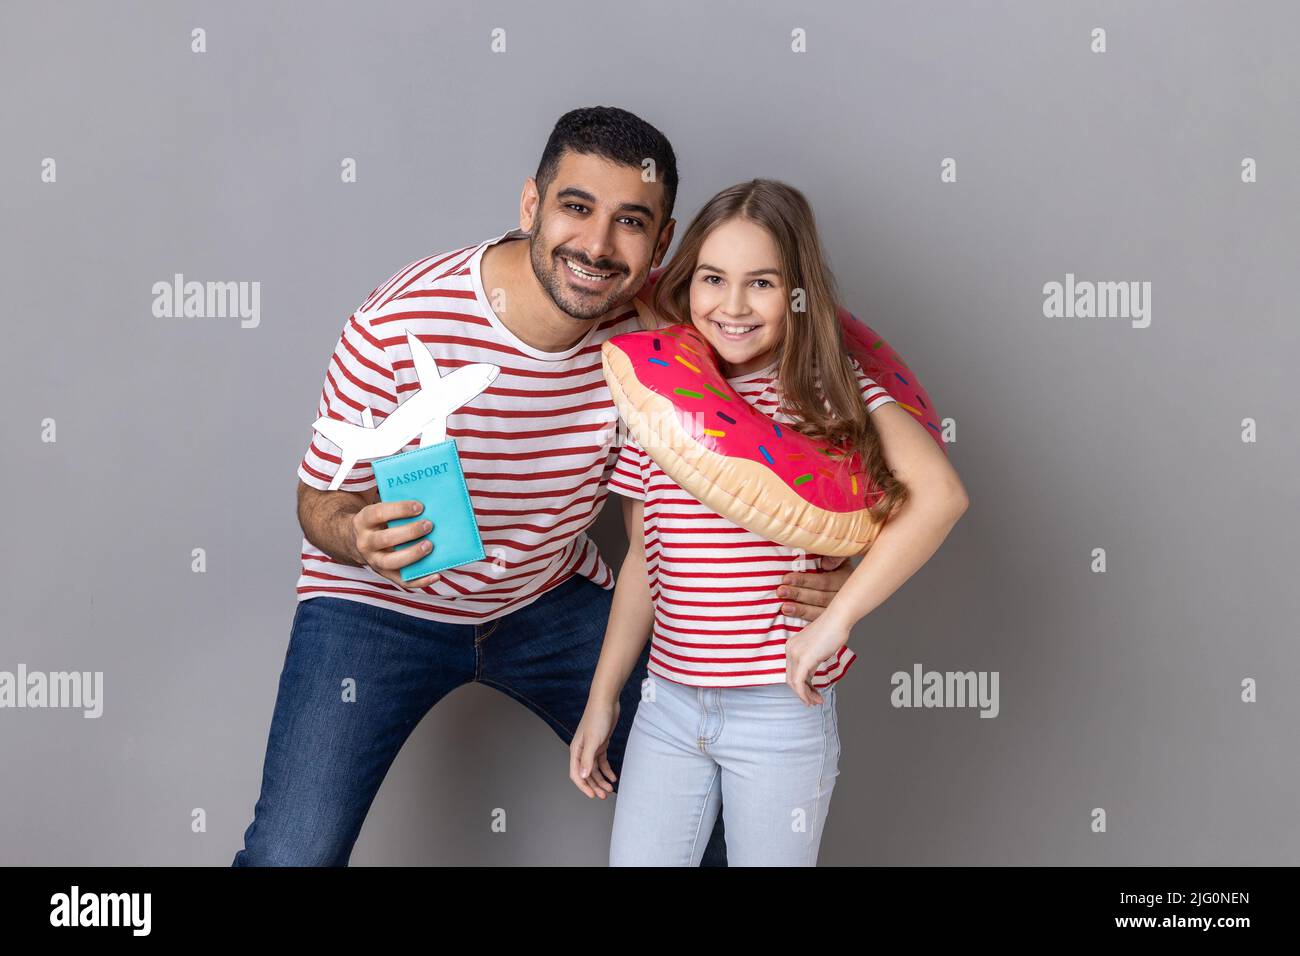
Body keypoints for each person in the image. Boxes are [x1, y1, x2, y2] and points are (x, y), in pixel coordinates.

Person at [232, 108, 856, 867]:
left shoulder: (668, 330)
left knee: (719, 813)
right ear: (531, 206)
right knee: (291, 852)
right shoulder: (399, 323)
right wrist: (355, 536)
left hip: (547, 601)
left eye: (630, 222)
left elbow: (786, 437)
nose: (596, 245)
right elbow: (315, 501)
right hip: (380, 607)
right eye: (576, 207)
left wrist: (836, 570)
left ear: (662, 245)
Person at [568, 179, 970, 866]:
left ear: (798, 294)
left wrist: (838, 616)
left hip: (777, 711)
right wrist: (604, 697)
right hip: (668, 705)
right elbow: (643, 559)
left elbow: (941, 497)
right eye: (713, 279)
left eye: (761, 284)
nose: (731, 306)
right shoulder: (662, 394)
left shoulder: (829, 391)